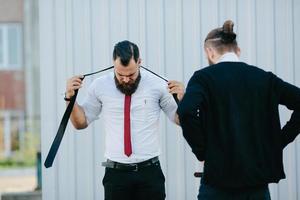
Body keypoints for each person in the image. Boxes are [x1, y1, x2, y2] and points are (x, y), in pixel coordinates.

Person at [177, 20, 300, 200]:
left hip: (217, 182)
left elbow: (186, 112)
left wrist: (203, 151)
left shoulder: (203, 78)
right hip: (255, 183)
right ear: (238, 50)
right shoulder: (264, 79)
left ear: (209, 52)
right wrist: (278, 141)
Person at [65, 40, 184, 200]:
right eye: (120, 74)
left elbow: (179, 119)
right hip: (116, 175)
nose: (126, 79)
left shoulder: (159, 84)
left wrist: (182, 101)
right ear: (113, 64)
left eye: (131, 75)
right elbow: (81, 123)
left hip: (149, 173)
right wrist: (70, 99)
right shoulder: (99, 85)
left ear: (140, 62)